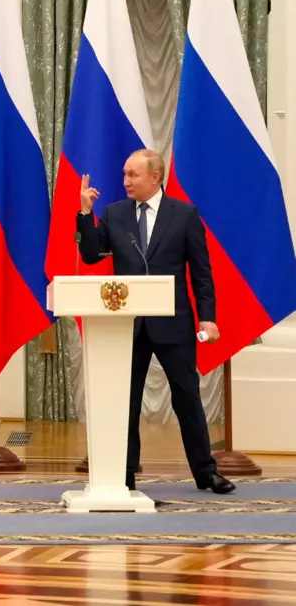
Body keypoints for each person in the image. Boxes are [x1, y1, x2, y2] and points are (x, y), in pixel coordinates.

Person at [76, 148, 233, 494]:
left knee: (187, 397)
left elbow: (202, 274)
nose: (125, 181)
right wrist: (86, 213)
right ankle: (124, 475)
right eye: (124, 175)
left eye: (132, 175)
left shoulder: (185, 215)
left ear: (155, 177)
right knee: (126, 401)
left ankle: (206, 473)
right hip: (127, 325)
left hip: (173, 323)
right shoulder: (114, 214)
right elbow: (90, 257)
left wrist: (207, 318)